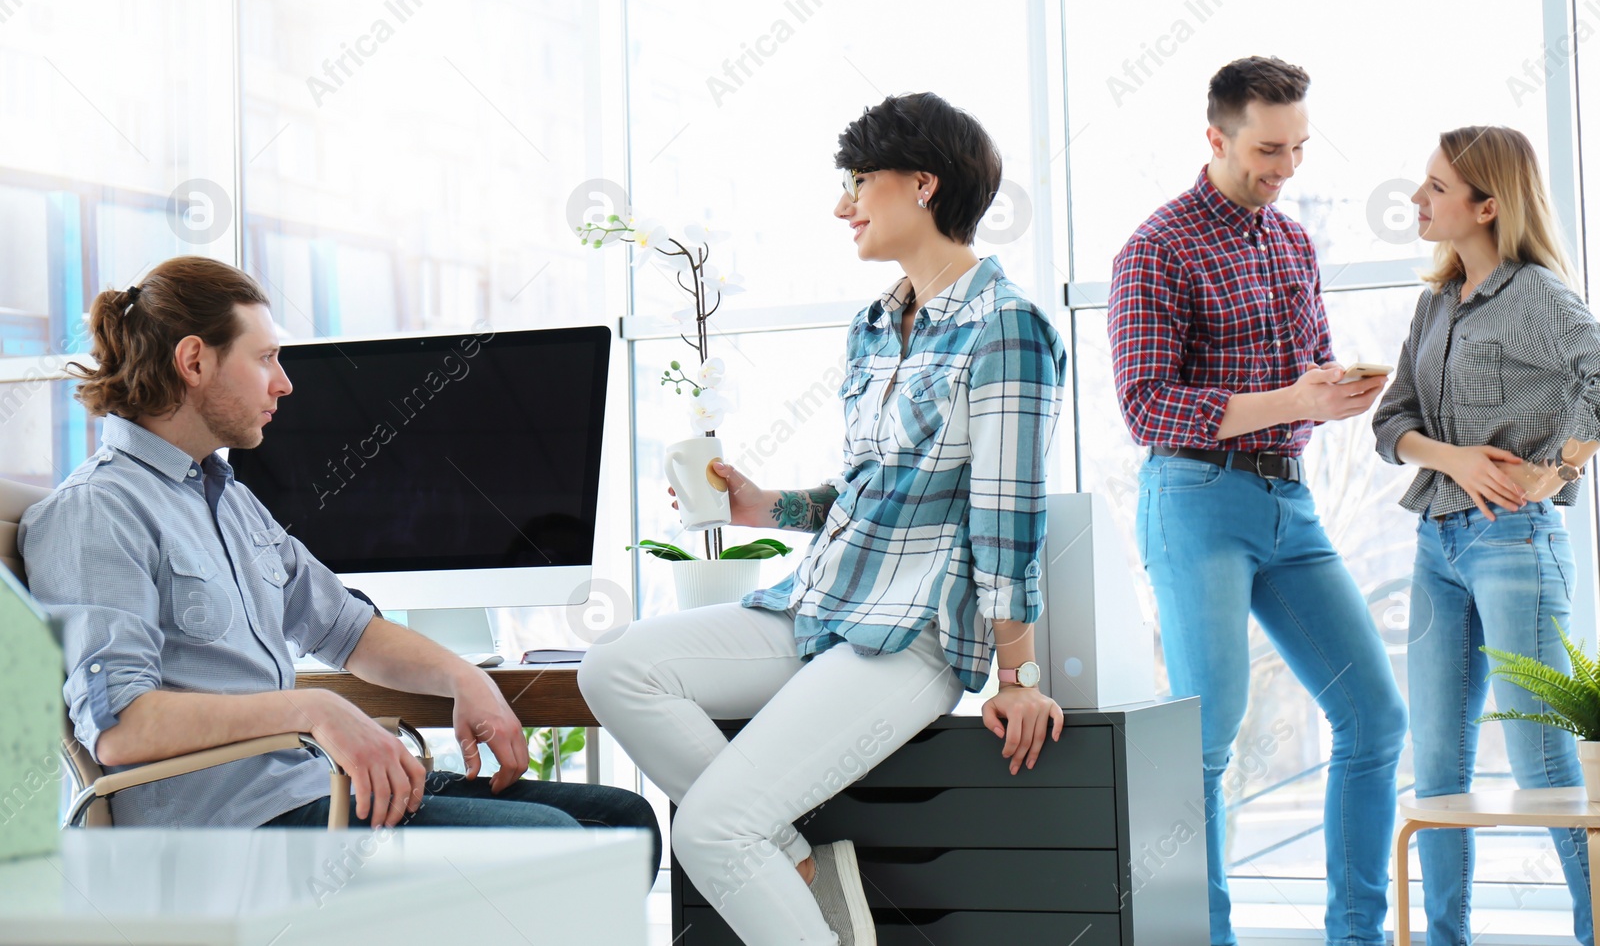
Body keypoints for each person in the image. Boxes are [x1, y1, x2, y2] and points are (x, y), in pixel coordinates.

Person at [579, 92, 1067, 946]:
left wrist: (1018, 677)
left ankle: (769, 849)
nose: (844, 206)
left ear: (923, 184)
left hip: (910, 634)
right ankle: (796, 859)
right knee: (615, 666)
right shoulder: (875, 325)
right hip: (819, 606)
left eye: (858, 182)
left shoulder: (1008, 328)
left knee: (709, 829)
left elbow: (1007, 520)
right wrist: (765, 506)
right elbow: (867, 489)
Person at [19, 256, 661, 871]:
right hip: (230, 834)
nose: (284, 382)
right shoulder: (98, 513)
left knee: (621, 823)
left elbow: (346, 630)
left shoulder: (228, 500)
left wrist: (468, 679)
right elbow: (120, 728)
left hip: (303, 790)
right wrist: (315, 711)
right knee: (553, 846)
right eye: (266, 357)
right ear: (194, 361)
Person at [1107, 55, 1407, 946]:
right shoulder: (1156, 248)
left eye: (1300, 148)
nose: (1286, 168)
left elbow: (1306, 361)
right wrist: (1296, 401)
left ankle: (1355, 935)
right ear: (1216, 137)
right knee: (1205, 741)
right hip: (1195, 499)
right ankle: (1208, 939)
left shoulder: (1291, 242)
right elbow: (1147, 404)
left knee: (1373, 716)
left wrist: (1331, 390)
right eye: (1270, 149)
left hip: (1290, 503)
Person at [1372, 126, 1599, 945]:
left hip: (1515, 544)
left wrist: (1557, 472)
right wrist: (1455, 457)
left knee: (1541, 762)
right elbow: (1391, 419)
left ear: (1487, 205)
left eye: (1434, 187)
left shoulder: (1538, 296)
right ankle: (1446, 939)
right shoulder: (1437, 303)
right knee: (1436, 769)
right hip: (1437, 543)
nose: (1417, 199)